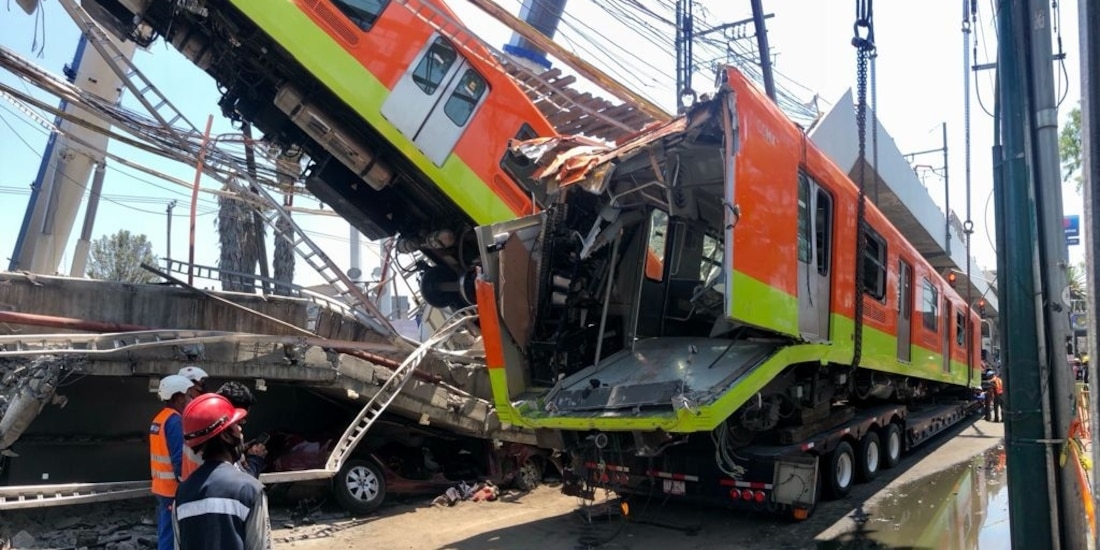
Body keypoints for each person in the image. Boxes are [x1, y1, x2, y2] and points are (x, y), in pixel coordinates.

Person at [174, 393, 272, 550]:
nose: (240, 429)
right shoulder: (250, 489)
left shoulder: (182, 493)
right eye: (235, 425)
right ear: (226, 436)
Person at [149, 375, 194, 550]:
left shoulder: (159, 418)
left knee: (166, 529)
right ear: (178, 398)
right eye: (188, 395)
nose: (191, 400)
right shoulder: (175, 421)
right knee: (171, 534)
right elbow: (178, 458)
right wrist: (188, 485)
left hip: (162, 486)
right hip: (172, 488)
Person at [216, 381, 267, 478]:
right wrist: (255, 459)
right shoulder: (221, 454)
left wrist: (240, 448)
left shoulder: (201, 433)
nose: (239, 428)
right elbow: (243, 483)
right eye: (239, 420)